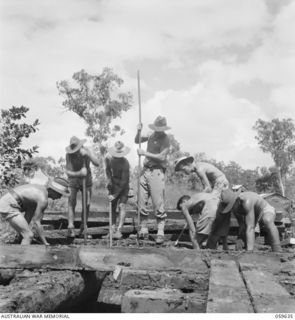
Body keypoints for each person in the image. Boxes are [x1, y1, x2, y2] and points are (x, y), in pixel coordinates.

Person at [0, 177, 70, 245]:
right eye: (60, 194)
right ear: (54, 191)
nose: (60, 197)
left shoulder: (37, 194)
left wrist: (22, 233)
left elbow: (28, 217)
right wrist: (45, 243)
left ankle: (19, 246)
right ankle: (22, 256)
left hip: (8, 200)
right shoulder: (43, 199)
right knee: (29, 236)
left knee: (25, 234)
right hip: (9, 204)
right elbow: (37, 223)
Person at [135, 116, 171, 244]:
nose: (158, 131)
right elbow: (136, 140)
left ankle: (160, 231)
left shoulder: (166, 139)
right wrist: (139, 131)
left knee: (157, 202)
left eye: (160, 129)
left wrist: (145, 153)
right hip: (145, 170)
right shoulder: (150, 134)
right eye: (157, 128)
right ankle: (144, 228)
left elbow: (162, 157)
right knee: (141, 200)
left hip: (157, 171)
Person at [65, 136, 99, 238]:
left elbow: (97, 163)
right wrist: (80, 173)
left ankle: (83, 228)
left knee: (87, 204)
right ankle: (70, 227)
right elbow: (68, 172)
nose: (75, 152)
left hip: (86, 180)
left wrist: (88, 154)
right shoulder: (69, 155)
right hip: (74, 179)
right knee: (71, 202)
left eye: (77, 149)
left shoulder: (88, 150)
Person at [105, 141, 130, 240]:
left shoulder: (125, 163)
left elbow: (124, 182)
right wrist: (109, 180)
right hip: (114, 182)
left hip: (124, 185)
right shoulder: (108, 158)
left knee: (122, 205)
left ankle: (119, 230)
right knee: (112, 205)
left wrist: (115, 195)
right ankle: (112, 229)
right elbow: (107, 169)